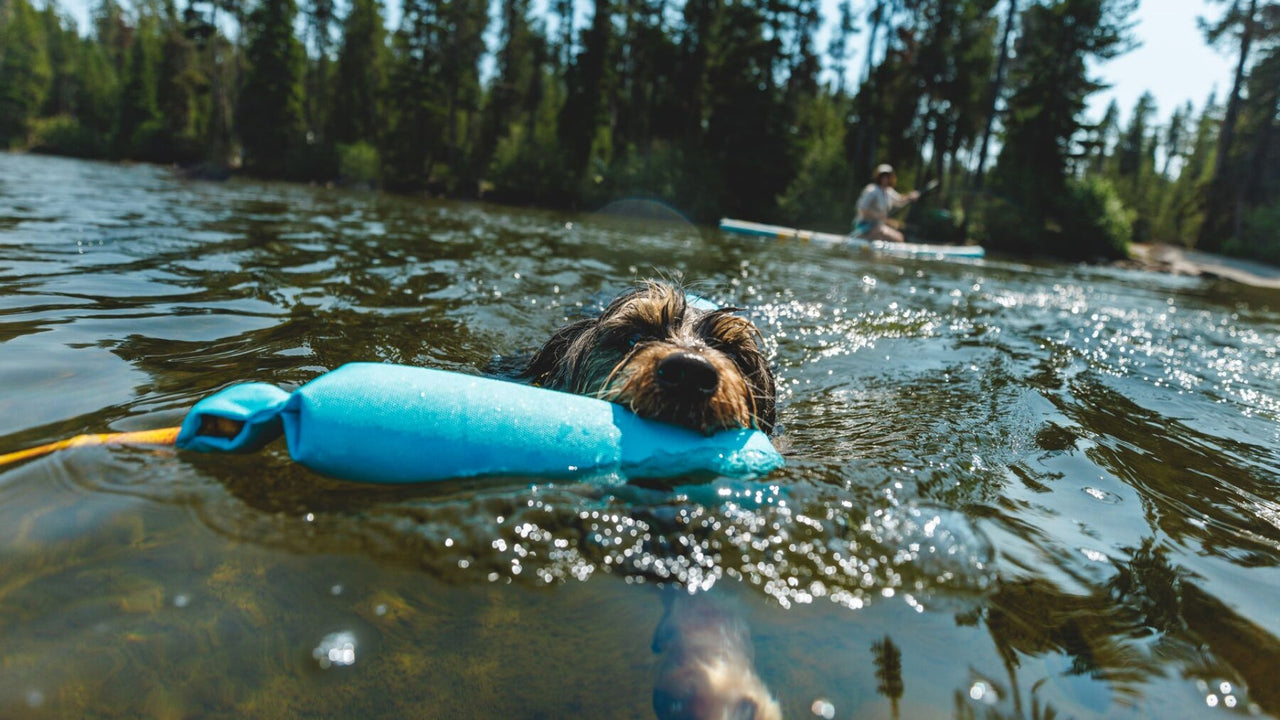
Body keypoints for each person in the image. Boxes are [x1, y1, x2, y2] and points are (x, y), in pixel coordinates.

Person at [853, 164, 919, 242]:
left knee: (899, 237)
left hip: (878, 226)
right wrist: (880, 217)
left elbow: (899, 200)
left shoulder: (888, 191)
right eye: (883, 176)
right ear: (878, 177)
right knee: (897, 239)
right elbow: (863, 209)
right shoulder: (872, 190)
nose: (885, 179)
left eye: (888, 177)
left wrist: (910, 196)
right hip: (865, 227)